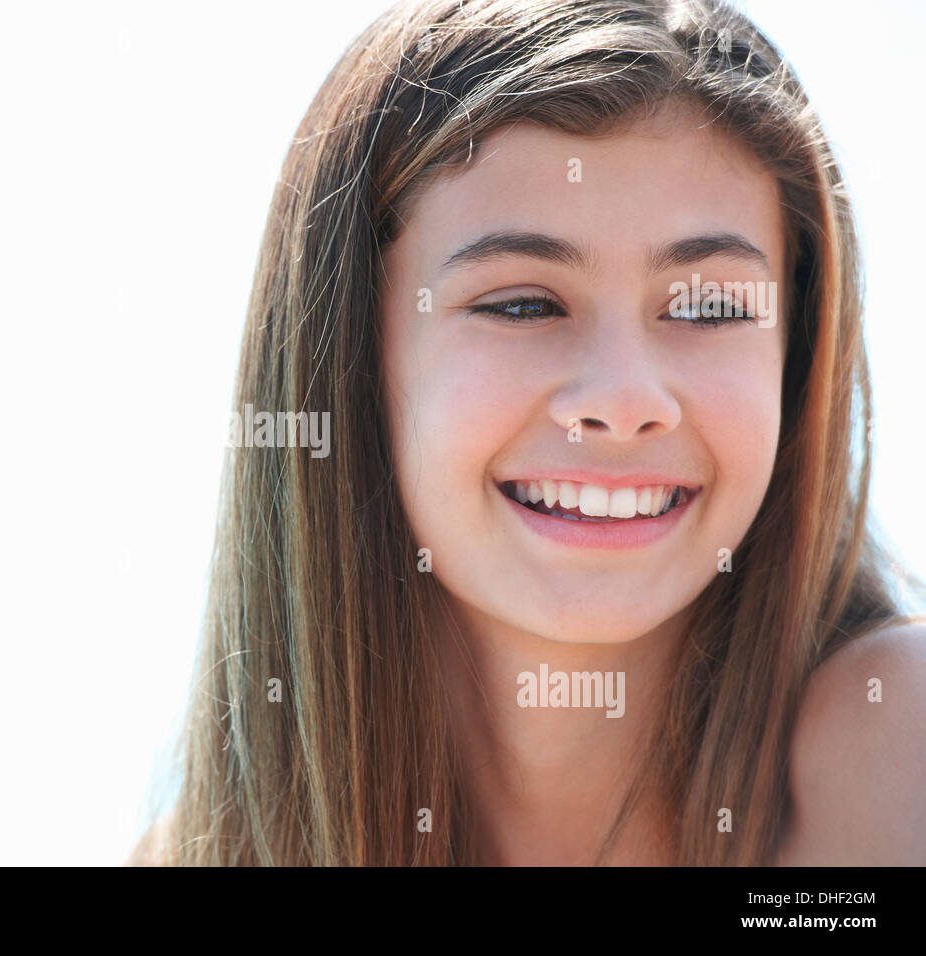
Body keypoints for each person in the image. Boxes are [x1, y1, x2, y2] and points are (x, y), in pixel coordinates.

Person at [130, 0, 926, 866]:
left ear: (796, 355)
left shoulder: (896, 747)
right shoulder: (204, 852)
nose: (624, 400)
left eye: (707, 306)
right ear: (351, 357)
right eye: (522, 305)